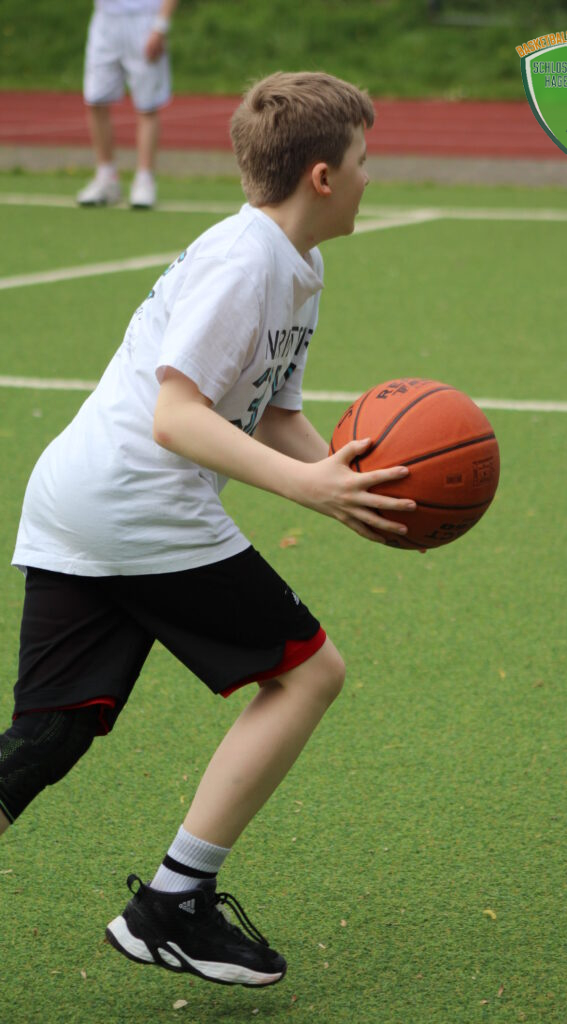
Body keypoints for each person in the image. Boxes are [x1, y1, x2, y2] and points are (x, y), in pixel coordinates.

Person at [0, 71, 418, 988]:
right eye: (362, 160)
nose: (368, 176)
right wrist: (309, 489)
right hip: (141, 503)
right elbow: (177, 417)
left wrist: (352, 482)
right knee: (309, 673)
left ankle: (172, 907)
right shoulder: (245, 261)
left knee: (48, 737)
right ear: (320, 176)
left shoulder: (296, 265)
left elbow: (271, 414)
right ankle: (172, 905)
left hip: (83, 498)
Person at [76, 0, 179, 209]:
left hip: (145, 19)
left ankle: (145, 179)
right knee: (96, 99)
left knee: (147, 105)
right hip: (105, 20)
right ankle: (106, 177)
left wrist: (160, 26)